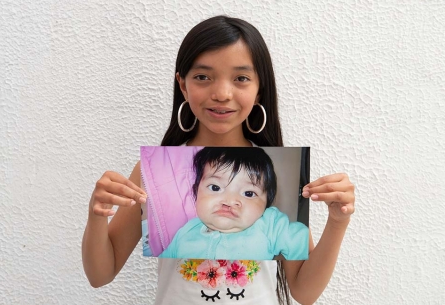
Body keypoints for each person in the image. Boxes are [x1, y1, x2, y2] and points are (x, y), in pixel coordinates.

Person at [82, 15, 355, 305]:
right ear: (183, 85)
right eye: (203, 77)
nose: (222, 93)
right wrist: (97, 214)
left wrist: (338, 221)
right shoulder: (154, 173)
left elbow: (305, 292)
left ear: (259, 88)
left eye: (241, 78)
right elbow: (100, 275)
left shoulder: (271, 184)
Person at [159, 147, 309, 260]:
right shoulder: (186, 232)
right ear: (196, 192)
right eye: (215, 187)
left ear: (266, 205)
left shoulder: (270, 226)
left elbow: (307, 247)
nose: (229, 201)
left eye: (249, 193)